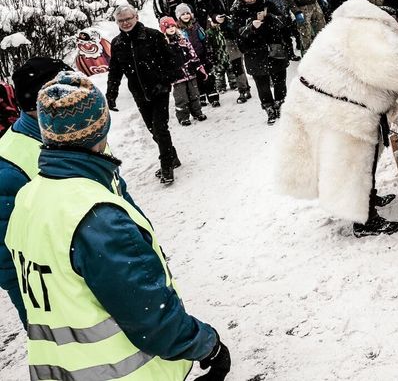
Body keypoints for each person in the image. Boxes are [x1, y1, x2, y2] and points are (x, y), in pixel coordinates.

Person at [4, 73, 231, 379]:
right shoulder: (95, 215)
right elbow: (151, 316)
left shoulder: (29, 198)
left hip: (59, 370)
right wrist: (208, 346)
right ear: (99, 130)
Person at [275, 0, 398, 237]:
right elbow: (395, 68)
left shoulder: (358, 23)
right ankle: (364, 220)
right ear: (395, 19)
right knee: (353, 161)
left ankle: (368, 199)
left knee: (364, 155)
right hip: (333, 106)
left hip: (322, 98)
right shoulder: (371, 31)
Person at [0, 57, 70, 327]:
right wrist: (37, 315)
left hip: (105, 271)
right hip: (60, 296)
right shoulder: (9, 164)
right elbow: (7, 259)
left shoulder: (76, 129)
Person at [106, 4, 182, 184]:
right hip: (139, 92)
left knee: (160, 128)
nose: (125, 23)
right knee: (152, 129)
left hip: (159, 90)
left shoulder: (153, 36)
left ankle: (166, 166)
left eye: (128, 19)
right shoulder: (117, 43)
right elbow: (115, 70)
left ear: (136, 17)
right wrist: (111, 93)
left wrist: (163, 82)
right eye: (120, 20)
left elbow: (172, 62)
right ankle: (172, 156)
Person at [232, 0, 291, 125]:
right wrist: (251, 27)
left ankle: (280, 103)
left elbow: (282, 21)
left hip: (274, 46)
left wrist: (269, 18)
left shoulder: (267, 3)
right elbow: (237, 33)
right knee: (262, 83)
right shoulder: (238, 11)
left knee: (279, 79)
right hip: (254, 51)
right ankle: (269, 107)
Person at [160, 17, 208, 126]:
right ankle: (183, 117)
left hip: (190, 73)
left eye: (172, 26)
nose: (171, 29)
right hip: (177, 76)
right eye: (168, 27)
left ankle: (197, 112)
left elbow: (192, 53)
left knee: (194, 94)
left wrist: (198, 66)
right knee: (182, 98)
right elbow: (163, 62)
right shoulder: (164, 44)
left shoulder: (183, 40)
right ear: (164, 30)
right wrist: (169, 74)